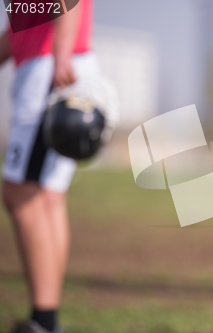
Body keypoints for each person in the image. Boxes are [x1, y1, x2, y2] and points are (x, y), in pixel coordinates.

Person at [0, 1, 97, 332]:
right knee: (50, 197)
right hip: (59, 58)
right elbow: (22, 26)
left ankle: (44, 321)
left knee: (20, 194)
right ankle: (45, 318)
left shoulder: (56, 56)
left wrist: (61, 54)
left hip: (51, 65)